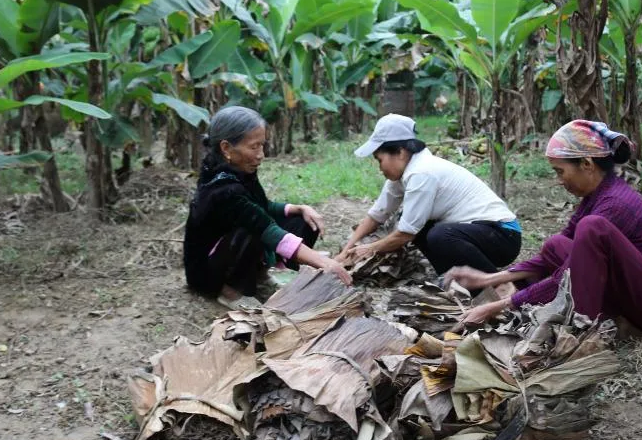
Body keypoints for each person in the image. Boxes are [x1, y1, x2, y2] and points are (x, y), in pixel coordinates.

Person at [445, 120, 642, 337]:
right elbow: (559, 253)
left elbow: (566, 274)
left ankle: (585, 328)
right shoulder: (596, 197)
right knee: (555, 245)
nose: (558, 181)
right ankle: (617, 319)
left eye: (560, 172)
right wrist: (490, 278)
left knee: (591, 229)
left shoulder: (615, 204)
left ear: (587, 164)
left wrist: (497, 306)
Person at [184, 106, 351, 305]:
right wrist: (322, 262)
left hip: (231, 245)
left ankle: (259, 274)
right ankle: (228, 290)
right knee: (253, 230)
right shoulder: (221, 188)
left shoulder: (238, 169)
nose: (261, 154)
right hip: (207, 270)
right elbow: (264, 227)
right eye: (254, 147)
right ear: (226, 148)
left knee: (301, 221)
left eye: (262, 146)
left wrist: (297, 208)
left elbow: (259, 206)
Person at [337, 114, 522, 277]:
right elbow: (377, 214)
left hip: (503, 236)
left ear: (400, 152)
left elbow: (405, 234)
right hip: (481, 233)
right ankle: (454, 279)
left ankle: (497, 284)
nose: (380, 168)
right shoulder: (404, 174)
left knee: (438, 235)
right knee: (422, 227)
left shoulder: (421, 173)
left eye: (380, 160)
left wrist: (369, 249)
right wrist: (346, 250)